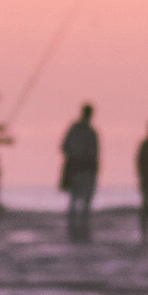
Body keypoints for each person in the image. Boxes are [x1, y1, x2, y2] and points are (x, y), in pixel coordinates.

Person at [59, 103, 100, 242]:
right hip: (80, 169)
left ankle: (78, 228)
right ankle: (77, 228)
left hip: (81, 169)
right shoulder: (87, 132)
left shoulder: (85, 131)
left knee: (78, 200)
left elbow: (64, 147)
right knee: (79, 200)